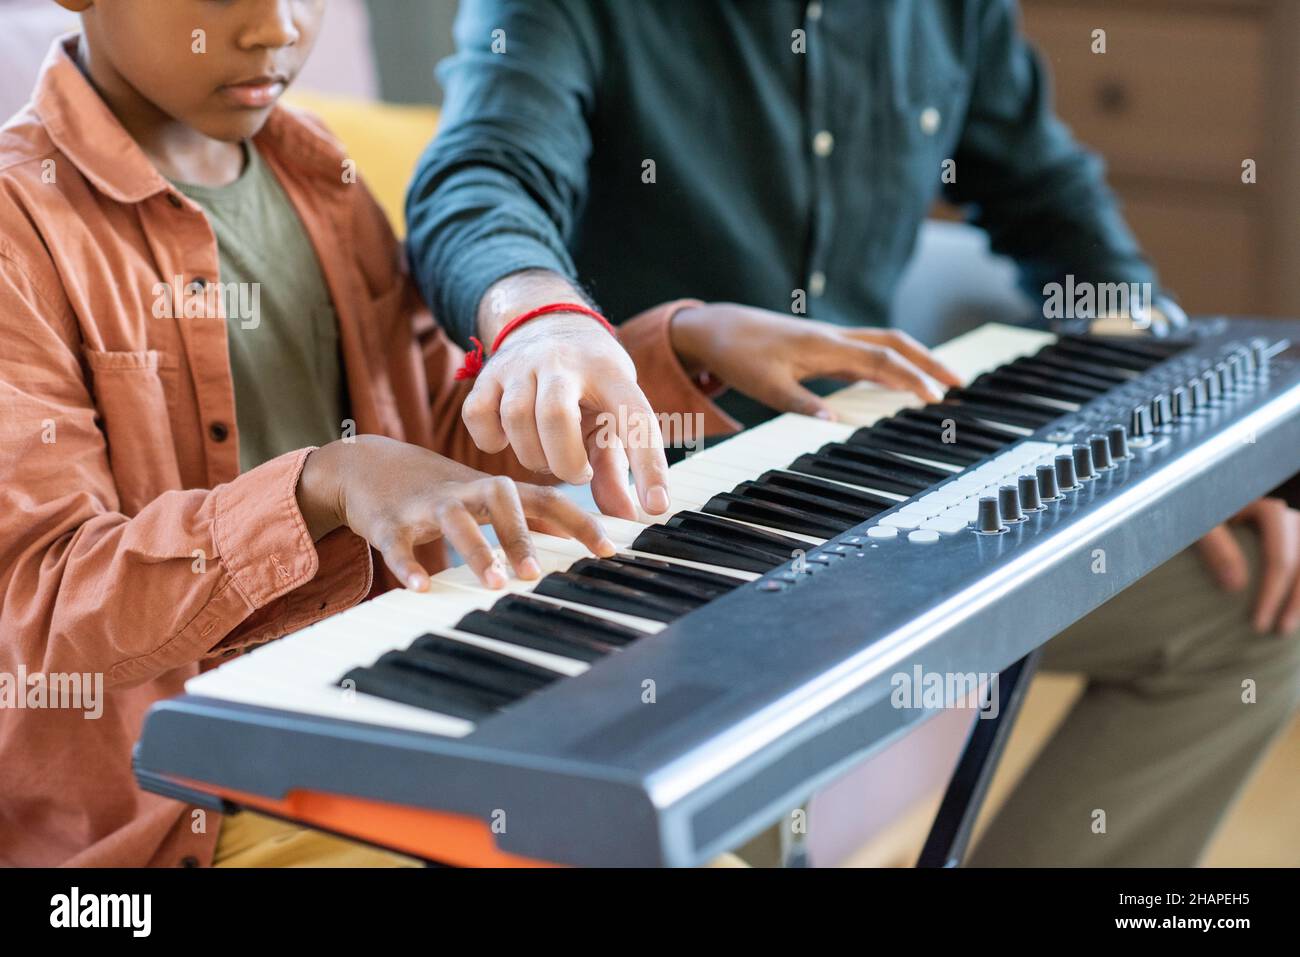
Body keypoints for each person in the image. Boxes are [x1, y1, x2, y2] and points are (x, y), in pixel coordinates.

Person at [0, 0, 944, 868]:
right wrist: (325, 482)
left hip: (398, 714)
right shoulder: (19, 229)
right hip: (189, 808)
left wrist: (676, 346)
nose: (276, 26)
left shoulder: (312, 168)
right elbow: (39, 612)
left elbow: (434, 449)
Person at [406, 0, 1300, 865]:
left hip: (881, 480)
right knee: (706, 764)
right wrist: (544, 317)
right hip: (653, 528)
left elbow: (1048, 195)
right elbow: (481, 172)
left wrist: (1188, 425)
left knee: (1257, 608)